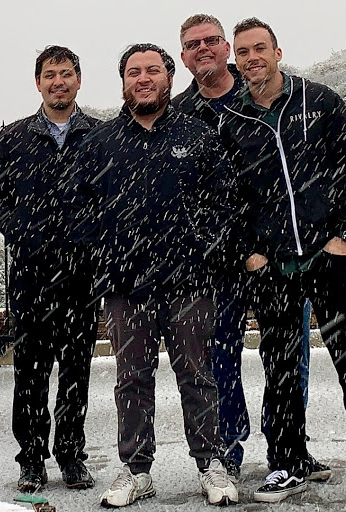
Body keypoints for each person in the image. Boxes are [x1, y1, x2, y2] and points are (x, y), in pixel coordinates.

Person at [219, 18, 346, 508]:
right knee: (280, 369)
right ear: (236, 59)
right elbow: (227, 198)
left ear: (277, 52)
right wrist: (249, 252)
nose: (252, 58)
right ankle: (287, 463)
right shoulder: (232, 121)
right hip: (273, 269)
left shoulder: (319, 101)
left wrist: (345, 235)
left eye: (260, 48)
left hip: (329, 261)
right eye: (243, 52)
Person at [68, 43, 238, 508]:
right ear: (123, 81)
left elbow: (224, 202)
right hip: (125, 290)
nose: (143, 78)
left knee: (197, 376)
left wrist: (201, 252)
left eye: (152, 70)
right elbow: (79, 211)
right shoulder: (100, 143)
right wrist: (107, 258)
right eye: (133, 72)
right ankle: (136, 470)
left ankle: (211, 464)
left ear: (168, 77)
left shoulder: (198, 135)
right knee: (132, 381)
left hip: (188, 285)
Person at [172, 13, 326, 484]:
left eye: (212, 41)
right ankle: (229, 447)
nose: (203, 49)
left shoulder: (264, 92)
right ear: (183, 57)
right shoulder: (179, 115)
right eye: (193, 44)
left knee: (290, 355)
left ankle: (290, 447)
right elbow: (185, 195)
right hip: (216, 261)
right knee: (220, 357)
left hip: (277, 252)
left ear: (228, 49)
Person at [0, 46, 99, 492]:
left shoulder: (98, 136)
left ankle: (71, 456)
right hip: (31, 276)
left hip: (82, 277)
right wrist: (24, 233)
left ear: (78, 80)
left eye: (66, 73)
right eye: (50, 74)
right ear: (38, 83)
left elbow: (111, 196)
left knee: (76, 372)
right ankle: (31, 459)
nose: (58, 82)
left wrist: (88, 238)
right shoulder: (14, 138)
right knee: (30, 373)